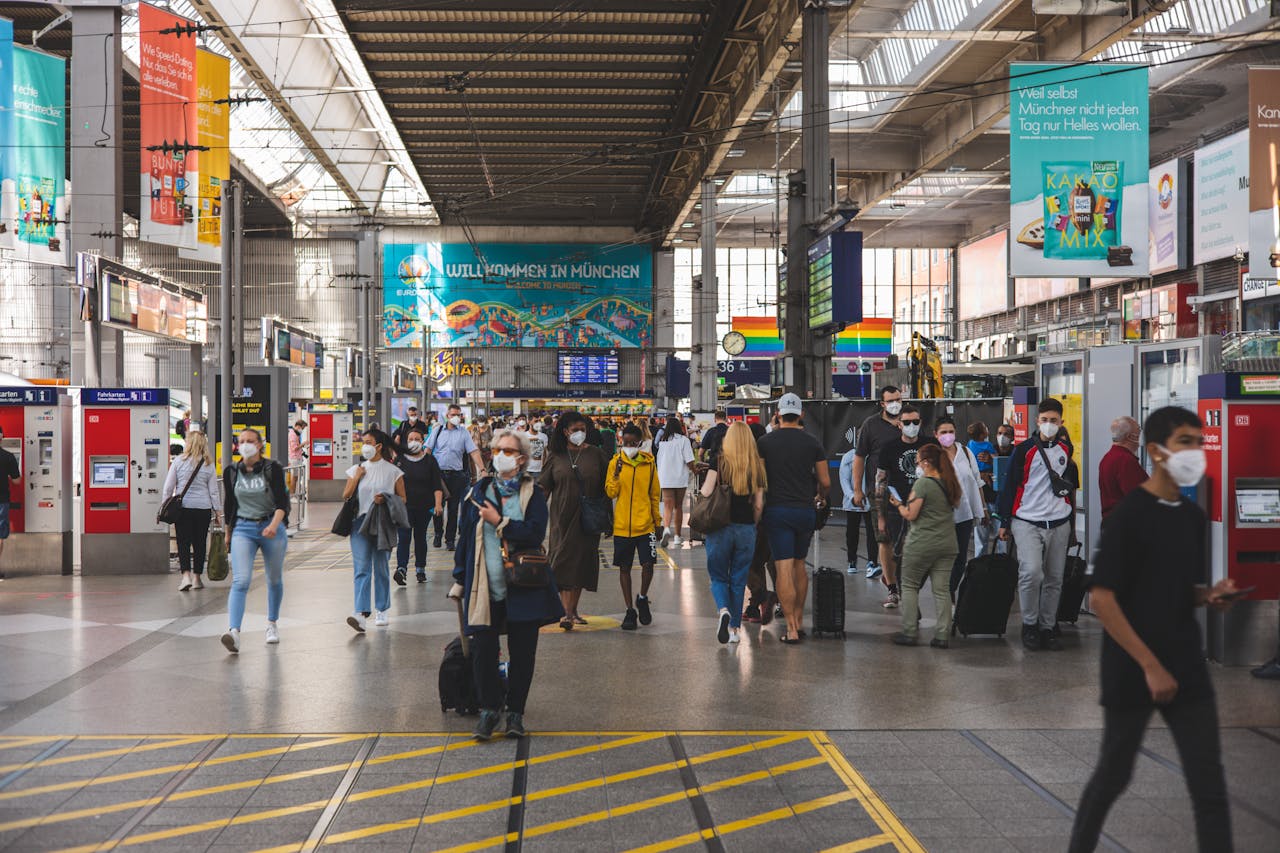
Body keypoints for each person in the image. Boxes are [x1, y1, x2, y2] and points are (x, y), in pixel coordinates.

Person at [1068, 406, 1239, 853]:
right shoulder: (1128, 517)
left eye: (1199, 442)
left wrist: (1208, 595)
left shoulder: (1189, 517)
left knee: (1209, 784)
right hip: (1133, 668)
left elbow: (1173, 588)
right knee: (1114, 774)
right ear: (1156, 452)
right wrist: (1149, 666)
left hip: (1185, 665)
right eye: (1186, 441)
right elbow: (1102, 598)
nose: (1196, 452)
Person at [449, 428, 564, 740]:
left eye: (508, 451)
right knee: (483, 651)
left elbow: (535, 533)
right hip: (484, 586)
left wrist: (500, 522)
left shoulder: (533, 493)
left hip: (523, 586)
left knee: (523, 654)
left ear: (522, 459)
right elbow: (465, 540)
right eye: (497, 449)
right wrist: (460, 577)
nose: (500, 455)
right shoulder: (477, 491)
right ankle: (489, 711)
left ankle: (515, 713)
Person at [997, 398, 1075, 652]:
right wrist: (1005, 520)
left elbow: (1069, 488)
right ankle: (1029, 624)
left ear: (1061, 422)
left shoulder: (1066, 450)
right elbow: (1010, 486)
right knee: (1031, 572)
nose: (1049, 425)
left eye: (1054, 421)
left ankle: (1048, 626)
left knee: (1055, 577)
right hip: (1027, 520)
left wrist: (1071, 525)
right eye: (1045, 420)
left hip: (1059, 520)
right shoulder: (1024, 450)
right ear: (1037, 421)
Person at [756, 393, 828, 643]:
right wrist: (820, 496)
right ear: (801, 414)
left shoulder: (765, 442)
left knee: (783, 568)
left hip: (777, 511)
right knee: (800, 566)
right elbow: (826, 481)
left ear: (777, 413)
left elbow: (760, 481)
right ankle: (798, 619)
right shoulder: (813, 443)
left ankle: (791, 629)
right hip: (804, 511)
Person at [220, 429, 290, 654]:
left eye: (250, 441)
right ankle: (234, 632)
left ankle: (271, 624)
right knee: (240, 580)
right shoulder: (232, 471)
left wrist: (273, 525)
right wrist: (228, 534)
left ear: (260, 445)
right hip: (243, 527)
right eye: (241, 442)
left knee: (274, 579)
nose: (245, 445)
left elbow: (283, 503)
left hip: (272, 525)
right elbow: (230, 504)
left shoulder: (272, 469)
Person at [889, 444, 961, 647]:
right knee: (942, 590)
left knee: (910, 586)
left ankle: (910, 632)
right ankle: (942, 635)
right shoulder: (950, 482)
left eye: (919, 462)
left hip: (922, 543)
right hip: (947, 544)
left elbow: (911, 514)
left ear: (927, 462)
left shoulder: (923, 484)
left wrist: (899, 505)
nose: (917, 466)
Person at [539, 410, 606, 630]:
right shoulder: (556, 455)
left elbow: (607, 487)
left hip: (588, 518)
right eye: (575, 430)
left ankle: (571, 611)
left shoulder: (596, 454)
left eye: (583, 430)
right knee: (562, 560)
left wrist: (609, 517)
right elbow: (545, 487)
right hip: (562, 517)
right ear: (565, 431)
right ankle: (565, 611)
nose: (579, 433)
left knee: (581, 562)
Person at [701, 422, 766, 645]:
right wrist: (753, 524)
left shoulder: (718, 461)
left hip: (720, 528)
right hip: (746, 529)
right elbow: (758, 504)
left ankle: (723, 610)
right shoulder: (756, 465)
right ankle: (735, 630)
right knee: (738, 581)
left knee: (718, 576)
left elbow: (707, 491)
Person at [342, 428, 407, 632]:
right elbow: (345, 495)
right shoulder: (357, 469)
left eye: (369, 442)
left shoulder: (393, 471)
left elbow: (403, 498)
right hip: (359, 524)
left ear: (379, 446)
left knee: (381, 567)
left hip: (383, 523)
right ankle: (361, 613)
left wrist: (386, 499)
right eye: (364, 442)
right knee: (361, 568)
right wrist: (356, 477)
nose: (365, 446)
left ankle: (382, 609)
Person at [876, 404, 938, 609]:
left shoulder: (931, 444)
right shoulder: (889, 448)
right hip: (898, 508)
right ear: (899, 424)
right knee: (900, 553)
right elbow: (881, 481)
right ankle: (897, 591)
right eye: (907, 422)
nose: (912, 426)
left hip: (927, 508)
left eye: (916, 422)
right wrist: (881, 516)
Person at [605, 423, 661, 631]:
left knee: (648, 565)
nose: (628, 446)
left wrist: (658, 521)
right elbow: (610, 492)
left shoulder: (649, 464)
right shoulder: (614, 463)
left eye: (632, 443)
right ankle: (629, 609)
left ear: (639, 442)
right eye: (624, 442)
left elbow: (654, 494)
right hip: (622, 526)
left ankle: (643, 597)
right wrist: (617, 474)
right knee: (624, 568)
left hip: (645, 525)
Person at [852, 386, 902, 593]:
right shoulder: (871, 425)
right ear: (882, 403)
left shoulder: (909, 422)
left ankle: (897, 577)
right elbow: (859, 457)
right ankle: (891, 586)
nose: (896, 404)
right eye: (891, 400)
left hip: (906, 490)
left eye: (898, 399)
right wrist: (857, 489)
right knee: (884, 538)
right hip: (879, 491)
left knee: (904, 541)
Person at [161, 430, 222, 591]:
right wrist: (218, 512)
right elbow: (213, 491)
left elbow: (168, 488)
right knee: (200, 543)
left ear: (188, 443)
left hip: (184, 508)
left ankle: (185, 576)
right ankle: (197, 578)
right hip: (203, 508)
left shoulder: (179, 461)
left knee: (183, 542)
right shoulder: (208, 463)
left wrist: (164, 506)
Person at [935, 416, 988, 599]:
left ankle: (950, 590)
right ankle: (943, 592)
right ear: (936, 434)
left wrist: (983, 508)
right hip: (941, 517)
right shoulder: (932, 455)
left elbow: (977, 481)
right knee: (943, 557)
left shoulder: (965, 452)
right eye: (943, 432)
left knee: (960, 558)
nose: (948, 436)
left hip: (964, 515)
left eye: (951, 431)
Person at [427, 404, 485, 551]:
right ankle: (438, 533)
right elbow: (428, 450)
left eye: (459, 415)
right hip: (438, 475)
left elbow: (473, 452)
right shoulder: (438, 431)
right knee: (438, 507)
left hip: (456, 476)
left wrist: (483, 469)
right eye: (453, 414)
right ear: (447, 415)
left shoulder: (463, 433)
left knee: (453, 509)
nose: (456, 417)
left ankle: (450, 539)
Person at [393, 427, 445, 585]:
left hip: (424, 506)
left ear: (423, 442)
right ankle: (401, 569)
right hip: (405, 506)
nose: (413, 442)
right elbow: (393, 482)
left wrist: (438, 504)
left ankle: (420, 568)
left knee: (420, 537)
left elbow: (437, 485)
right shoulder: (400, 459)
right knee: (404, 537)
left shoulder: (430, 460)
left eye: (417, 439)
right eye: (410, 439)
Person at [655, 416, 697, 547]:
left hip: (665, 477)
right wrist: (695, 470)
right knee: (678, 506)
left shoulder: (663, 442)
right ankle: (678, 536)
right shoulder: (684, 440)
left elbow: (659, 461)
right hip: (679, 477)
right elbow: (689, 460)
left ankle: (666, 528)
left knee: (667, 505)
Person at [1098, 415, 1148, 519]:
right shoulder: (1125, 461)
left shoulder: (1108, 457)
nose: (1141, 433)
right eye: (1138, 430)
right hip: (1125, 527)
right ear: (1130, 436)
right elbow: (1139, 499)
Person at [838, 446, 878, 576]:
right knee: (852, 532)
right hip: (853, 502)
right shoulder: (848, 457)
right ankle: (852, 561)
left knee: (872, 532)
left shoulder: (875, 456)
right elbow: (844, 480)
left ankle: (872, 562)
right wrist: (853, 496)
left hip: (871, 501)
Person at [0, 425, 21, 581]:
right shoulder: (8, 456)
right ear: (2, 437)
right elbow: (17, 481)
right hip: (2, 500)